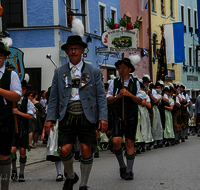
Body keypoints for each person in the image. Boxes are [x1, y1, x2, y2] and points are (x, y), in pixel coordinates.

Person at [45, 35, 108, 190]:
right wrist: (50, 118)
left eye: (76, 48)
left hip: (87, 114)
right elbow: (53, 97)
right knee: (64, 149)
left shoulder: (93, 71)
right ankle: (71, 176)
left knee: (86, 149)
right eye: (70, 49)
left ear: (82, 50)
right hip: (66, 113)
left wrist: (103, 117)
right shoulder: (59, 72)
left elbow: (101, 96)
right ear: (66, 51)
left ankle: (84, 184)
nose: (73, 51)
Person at [107, 57, 142, 180]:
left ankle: (129, 170)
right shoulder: (114, 82)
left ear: (129, 69)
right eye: (119, 68)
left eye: (123, 68)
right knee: (116, 141)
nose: (120, 70)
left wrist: (129, 94)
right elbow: (108, 99)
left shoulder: (136, 83)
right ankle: (122, 165)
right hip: (117, 116)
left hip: (131, 116)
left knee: (129, 142)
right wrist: (118, 96)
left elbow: (140, 101)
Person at [0, 41, 22, 190]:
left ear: (4, 58)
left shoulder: (11, 74)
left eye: (0, 56)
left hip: (4, 119)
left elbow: (16, 97)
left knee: (4, 154)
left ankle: (4, 187)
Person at [11, 78, 35, 182]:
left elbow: (30, 116)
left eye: (23, 88)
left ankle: (21, 173)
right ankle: (14, 171)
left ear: (25, 90)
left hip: (23, 129)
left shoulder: (28, 102)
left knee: (22, 151)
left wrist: (18, 113)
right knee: (12, 150)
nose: (21, 90)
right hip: (12, 129)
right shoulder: (10, 101)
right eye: (20, 88)